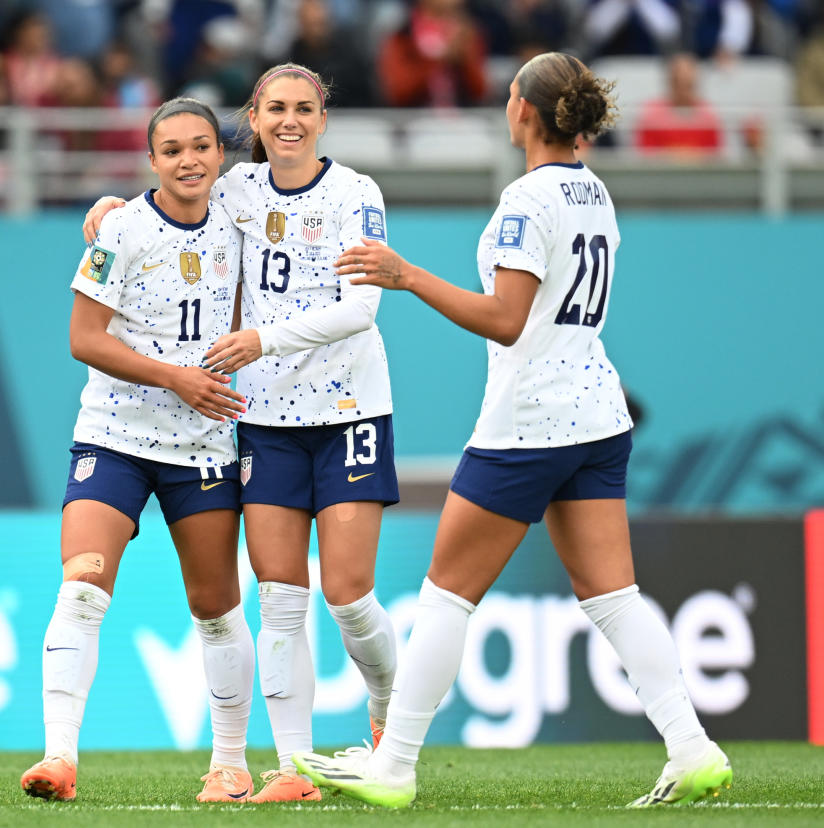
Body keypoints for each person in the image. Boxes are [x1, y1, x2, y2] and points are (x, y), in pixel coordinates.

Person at [293, 51, 733, 809]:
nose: (505, 102)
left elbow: (505, 320)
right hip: (597, 415)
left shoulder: (526, 200)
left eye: (509, 93)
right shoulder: (594, 192)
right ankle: (691, 744)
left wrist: (407, 275)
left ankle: (393, 764)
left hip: (532, 420)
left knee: (445, 596)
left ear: (524, 111)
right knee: (613, 595)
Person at [83, 63, 400, 804]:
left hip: (350, 408)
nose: (289, 121)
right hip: (263, 421)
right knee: (279, 598)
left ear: (324, 118)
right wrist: (108, 208)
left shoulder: (357, 194)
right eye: (275, 109)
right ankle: (295, 770)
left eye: (304, 108)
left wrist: (259, 339)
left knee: (349, 595)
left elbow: (361, 311)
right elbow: (164, 198)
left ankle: (389, 712)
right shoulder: (234, 189)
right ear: (253, 120)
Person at [20, 97, 257, 805]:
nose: (189, 160)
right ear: (150, 161)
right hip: (114, 436)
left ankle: (230, 765)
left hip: (205, 443)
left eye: (201, 147)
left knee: (217, 608)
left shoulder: (243, 224)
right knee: (83, 585)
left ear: (220, 155)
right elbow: (84, 338)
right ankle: (58, 758)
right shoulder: (119, 229)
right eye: (173, 150)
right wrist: (174, 377)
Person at [633, 52, 723, 157]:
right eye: (678, 83)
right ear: (670, 82)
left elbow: (714, 156)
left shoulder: (707, 115)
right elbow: (646, 155)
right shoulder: (651, 115)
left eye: (687, 84)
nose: (683, 90)